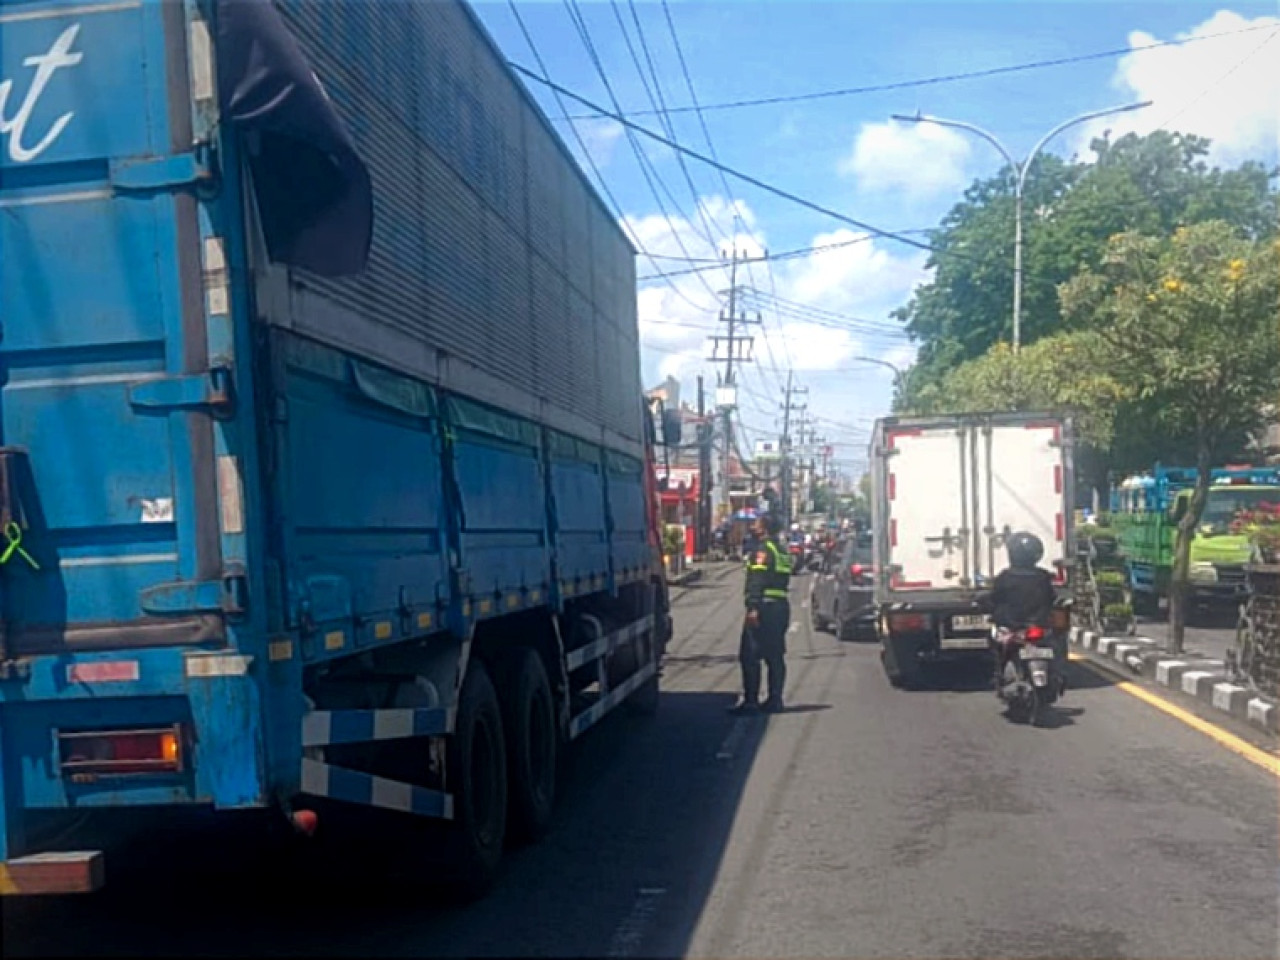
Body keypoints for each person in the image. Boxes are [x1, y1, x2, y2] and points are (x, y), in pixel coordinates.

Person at [731, 511, 794, 714]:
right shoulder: (781, 550)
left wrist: (753, 607)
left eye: (757, 524)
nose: (753, 527)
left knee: (750, 655)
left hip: (764, 607)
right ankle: (775, 699)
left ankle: (751, 701)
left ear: (765, 528)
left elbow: (758, 578)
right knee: (775, 655)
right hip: (780, 606)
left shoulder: (763, 550)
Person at [978, 531, 1058, 690]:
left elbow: (995, 597)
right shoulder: (1043, 577)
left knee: (995, 643)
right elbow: (1052, 598)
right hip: (1038, 626)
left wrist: (986, 604)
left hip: (1011, 627)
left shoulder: (1005, 577)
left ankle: (1000, 673)